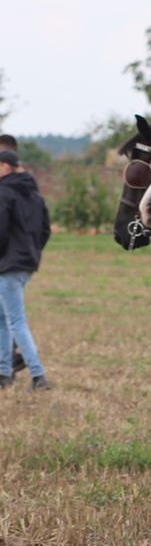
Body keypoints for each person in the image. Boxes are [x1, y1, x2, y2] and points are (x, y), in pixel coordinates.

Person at [0, 149, 52, 390]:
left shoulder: (4, 193)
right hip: (27, 263)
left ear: (6, 167)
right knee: (3, 319)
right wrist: (32, 252)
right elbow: (45, 231)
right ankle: (4, 372)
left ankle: (37, 375)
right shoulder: (34, 194)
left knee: (15, 321)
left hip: (9, 264)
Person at [0, 135, 26, 375]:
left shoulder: (10, 189)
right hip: (19, 259)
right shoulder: (24, 186)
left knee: (10, 315)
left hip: (8, 260)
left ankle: (17, 355)